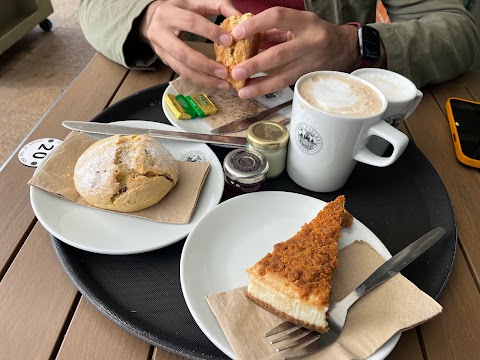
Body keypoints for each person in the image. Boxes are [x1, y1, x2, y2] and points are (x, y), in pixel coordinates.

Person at [78, 0, 480, 99]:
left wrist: (353, 44)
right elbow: (94, 6)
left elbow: (458, 30)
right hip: (181, 109)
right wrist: (146, 16)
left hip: (331, 114)